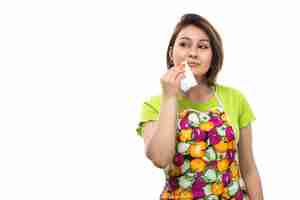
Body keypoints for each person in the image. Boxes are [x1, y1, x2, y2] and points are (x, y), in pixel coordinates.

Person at [136, 13, 264, 200]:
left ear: (213, 55)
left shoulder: (235, 98)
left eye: (203, 46)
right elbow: (160, 158)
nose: (193, 53)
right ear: (172, 52)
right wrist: (170, 97)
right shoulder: (154, 104)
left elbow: (249, 169)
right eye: (184, 44)